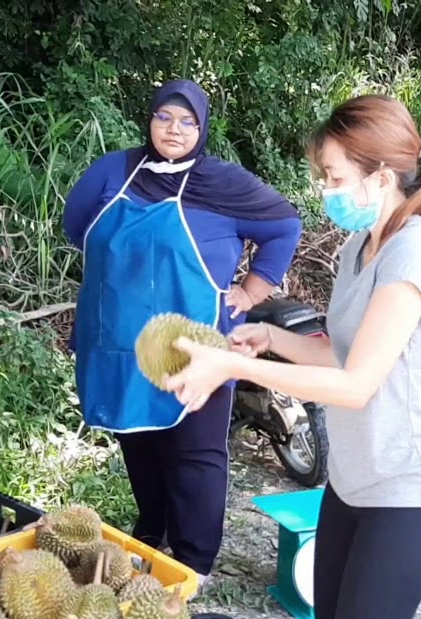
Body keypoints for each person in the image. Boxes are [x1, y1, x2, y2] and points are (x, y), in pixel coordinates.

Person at [162, 94, 421, 619]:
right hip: (352, 485)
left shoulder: (415, 250)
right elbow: (339, 352)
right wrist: (272, 340)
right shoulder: (361, 247)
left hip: (407, 492)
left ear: (380, 176)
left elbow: (357, 384)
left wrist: (232, 366)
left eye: (334, 178)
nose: (325, 190)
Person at [61, 78, 303, 587]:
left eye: (187, 121)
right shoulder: (115, 171)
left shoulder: (224, 183)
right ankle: (152, 535)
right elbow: (76, 225)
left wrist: (252, 292)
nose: (174, 129)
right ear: (148, 121)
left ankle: (193, 562)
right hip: (120, 338)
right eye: (164, 118)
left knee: (195, 451)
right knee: (138, 439)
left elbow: (284, 225)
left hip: (198, 341)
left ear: (203, 127)